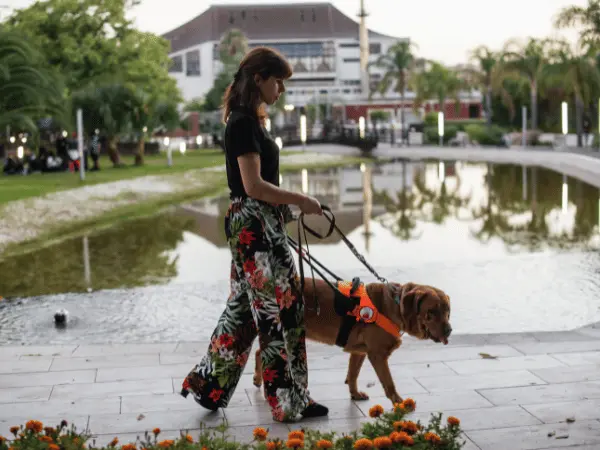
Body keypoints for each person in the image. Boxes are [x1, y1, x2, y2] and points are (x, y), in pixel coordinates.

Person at [180, 46, 328, 422]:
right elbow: (254, 186)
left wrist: (283, 209)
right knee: (279, 309)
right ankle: (288, 400)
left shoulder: (249, 121)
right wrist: (302, 199)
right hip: (254, 223)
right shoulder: (242, 124)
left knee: (246, 308)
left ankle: (209, 386)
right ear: (259, 78)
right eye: (277, 81)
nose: (281, 89)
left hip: (257, 222)